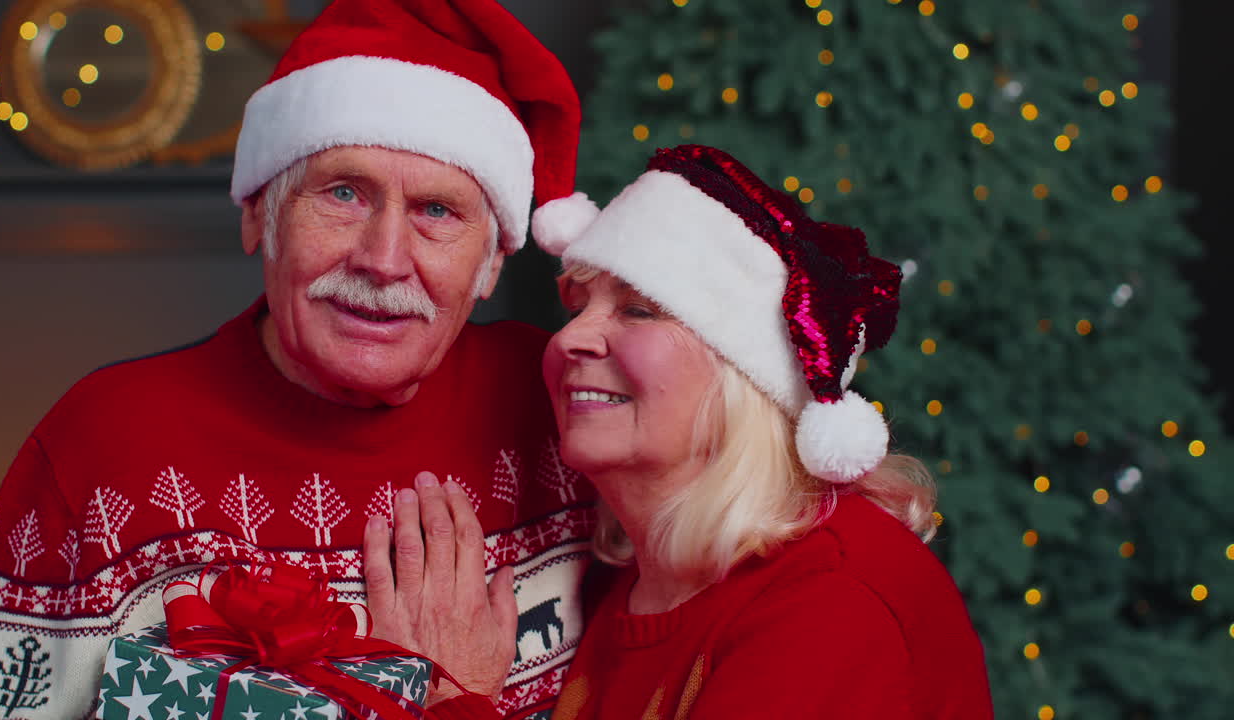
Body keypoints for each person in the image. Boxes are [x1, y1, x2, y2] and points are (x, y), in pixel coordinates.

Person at [0, 1, 603, 717]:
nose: (384, 259)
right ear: (257, 213)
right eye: (343, 193)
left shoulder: (569, 406)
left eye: (437, 211)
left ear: (492, 261)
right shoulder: (104, 445)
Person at [364, 145, 994, 718]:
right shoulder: (638, 579)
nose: (570, 338)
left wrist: (450, 698)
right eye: (578, 308)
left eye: (638, 310)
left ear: (745, 376)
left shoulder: (833, 604)